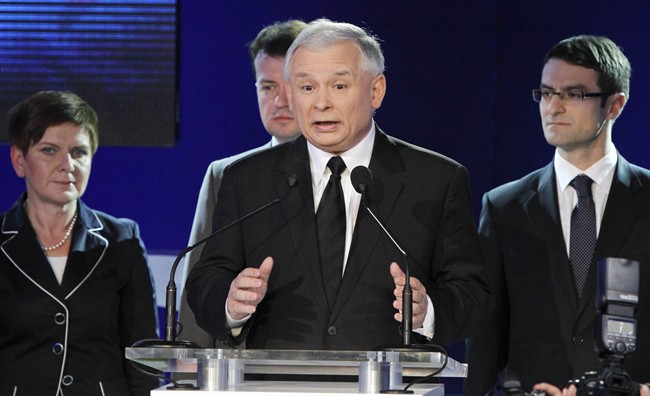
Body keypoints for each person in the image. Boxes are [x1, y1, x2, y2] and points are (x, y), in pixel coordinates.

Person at [186, 18, 492, 351]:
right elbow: (206, 281)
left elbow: (473, 295)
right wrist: (231, 304)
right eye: (307, 88)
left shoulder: (436, 180)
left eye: (339, 86)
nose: (321, 103)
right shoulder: (247, 180)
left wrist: (427, 311)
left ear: (376, 91)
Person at [464, 35, 650, 395]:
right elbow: (486, 336)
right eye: (547, 93)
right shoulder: (504, 207)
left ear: (614, 105)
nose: (554, 107)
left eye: (574, 94)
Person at [0, 91, 159, 395]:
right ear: (19, 159)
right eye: (49, 150)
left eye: (79, 152)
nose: (67, 164)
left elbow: (142, 353)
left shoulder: (123, 239)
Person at [178, 19, 307, 348]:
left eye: (291, 87)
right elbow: (200, 284)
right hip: (243, 365)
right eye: (267, 87)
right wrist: (187, 378)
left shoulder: (355, 172)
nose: (280, 101)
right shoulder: (226, 174)